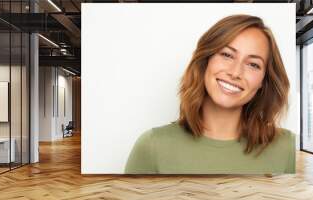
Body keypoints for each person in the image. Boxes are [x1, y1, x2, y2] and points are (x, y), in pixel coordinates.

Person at [124, 14, 295, 174]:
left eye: (253, 64)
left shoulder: (288, 148)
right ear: (205, 62)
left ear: (263, 82)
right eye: (227, 55)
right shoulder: (152, 146)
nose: (235, 72)